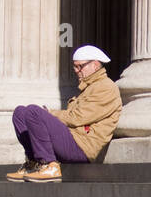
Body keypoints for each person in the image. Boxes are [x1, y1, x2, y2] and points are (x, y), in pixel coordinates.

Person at [6, 45, 122, 183]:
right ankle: (34, 163)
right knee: (20, 112)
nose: (76, 70)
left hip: (83, 147)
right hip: (73, 139)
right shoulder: (88, 88)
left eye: (80, 66)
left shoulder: (106, 87)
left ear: (95, 65)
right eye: (75, 67)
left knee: (33, 112)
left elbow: (77, 118)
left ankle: (49, 165)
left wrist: (50, 113)